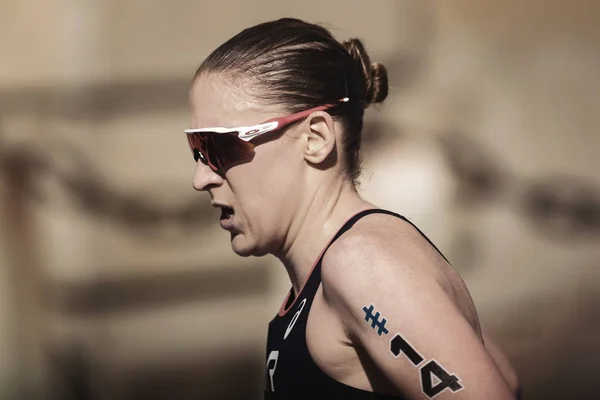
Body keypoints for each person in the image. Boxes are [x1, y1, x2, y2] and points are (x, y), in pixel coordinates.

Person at [185, 17, 520, 400]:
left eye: (219, 147)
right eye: (196, 149)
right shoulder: (331, 275)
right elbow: (504, 376)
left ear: (315, 138)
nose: (201, 178)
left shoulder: (362, 265)